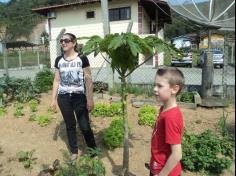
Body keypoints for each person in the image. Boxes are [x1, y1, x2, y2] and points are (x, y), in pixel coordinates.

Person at [50, 33, 96, 161]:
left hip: (79, 97)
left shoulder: (82, 58)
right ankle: (74, 152)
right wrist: (53, 99)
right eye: (61, 41)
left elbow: (88, 80)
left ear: (74, 43)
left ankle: (93, 152)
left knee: (84, 126)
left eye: (66, 40)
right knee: (70, 125)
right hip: (63, 97)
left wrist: (90, 98)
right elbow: (56, 80)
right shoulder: (59, 60)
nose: (63, 43)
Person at [149, 67, 184, 176]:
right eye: (154, 85)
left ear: (174, 89)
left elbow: (177, 154)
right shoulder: (164, 109)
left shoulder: (171, 117)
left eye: (159, 86)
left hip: (165, 172)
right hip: (158, 166)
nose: (155, 89)